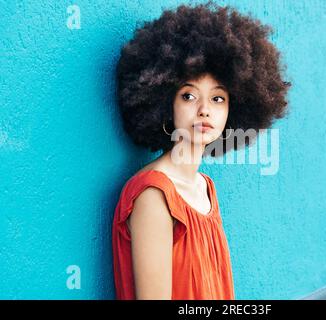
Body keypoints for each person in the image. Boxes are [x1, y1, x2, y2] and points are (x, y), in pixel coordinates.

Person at [112, 1, 291, 300]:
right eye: (189, 95)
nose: (205, 110)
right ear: (165, 102)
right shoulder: (153, 195)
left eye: (218, 98)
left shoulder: (204, 188)